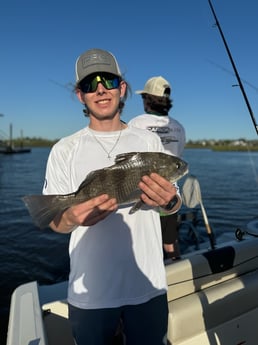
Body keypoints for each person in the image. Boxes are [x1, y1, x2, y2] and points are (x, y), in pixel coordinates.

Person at [43, 48, 182, 345]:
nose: (101, 89)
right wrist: (69, 217)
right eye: (90, 84)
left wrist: (168, 202)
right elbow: (55, 221)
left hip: (148, 286)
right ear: (81, 95)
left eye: (107, 80)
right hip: (91, 295)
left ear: (122, 89)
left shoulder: (148, 140)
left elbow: (173, 204)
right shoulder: (64, 150)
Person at [129, 76, 186, 261]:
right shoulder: (178, 127)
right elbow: (179, 162)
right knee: (170, 243)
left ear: (148, 99)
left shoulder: (136, 124)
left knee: (143, 245)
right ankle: (176, 275)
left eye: (143, 97)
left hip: (141, 194)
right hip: (169, 194)